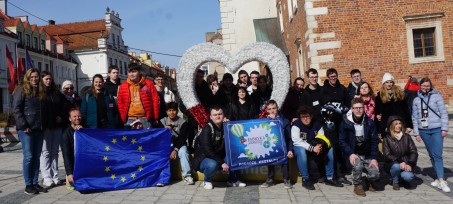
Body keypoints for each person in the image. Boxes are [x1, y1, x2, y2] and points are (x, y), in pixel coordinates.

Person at [192, 105, 246, 190]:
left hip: (219, 156)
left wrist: (230, 124)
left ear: (223, 115)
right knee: (213, 165)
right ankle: (207, 180)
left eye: (220, 114)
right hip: (204, 158)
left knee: (236, 156)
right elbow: (208, 150)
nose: (218, 116)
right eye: (215, 115)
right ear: (211, 117)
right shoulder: (207, 129)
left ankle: (232, 180)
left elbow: (236, 137)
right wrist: (222, 162)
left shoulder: (226, 126)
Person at [13, 68, 48, 195]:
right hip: (26, 129)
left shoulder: (41, 91)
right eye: (32, 77)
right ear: (28, 77)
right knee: (29, 157)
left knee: (37, 156)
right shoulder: (21, 90)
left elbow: (44, 110)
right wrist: (23, 125)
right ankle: (28, 185)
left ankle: (34, 182)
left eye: (36, 77)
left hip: (39, 128)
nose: (34, 79)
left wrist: (45, 124)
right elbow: (17, 109)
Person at [412, 77, 450, 193]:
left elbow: (443, 113)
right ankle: (438, 179)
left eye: (427, 86)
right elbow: (414, 117)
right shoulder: (416, 100)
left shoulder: (436, 97)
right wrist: (416, 133)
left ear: (430, 86)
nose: (425, 88)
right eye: (423, 86)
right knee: (432, 155)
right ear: (420, 86)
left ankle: (441, 180)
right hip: (424, 131)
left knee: (437, 154)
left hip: (437, 129)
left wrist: (444, 128)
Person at [292, 106, 343, 190]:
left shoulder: (317, 124)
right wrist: (312, 148)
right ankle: (306, 179)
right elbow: (297, 141)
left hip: (314, 145)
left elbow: (321, 137)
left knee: (330, 149)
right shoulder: (296, 124)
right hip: (300, 146)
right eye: (303, 117)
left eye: (307, 116)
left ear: (311, 116)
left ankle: (329, 178)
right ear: (300, 117)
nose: (305, 119)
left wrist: (320, 146)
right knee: (301, 151)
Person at [339, 98, 380, 197]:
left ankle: (368, 180)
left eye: (360, 108)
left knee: (375, 174)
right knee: (358, 166)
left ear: (364, 108)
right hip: (352, 154)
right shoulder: (345, 123)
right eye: (356, 108)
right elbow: (342, 141)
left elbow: (375, 141)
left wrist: (374, 158)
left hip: (367, 154)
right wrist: (350, 153)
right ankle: (357, 185)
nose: (358, 110)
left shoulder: (370, 123)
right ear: (351, 109)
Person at [40, 71, 67, 188]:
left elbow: (63, 105)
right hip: (46, 127)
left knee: (55, 152)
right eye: (46, 79)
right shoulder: (39, 93)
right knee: (45, 152)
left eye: (50, 79)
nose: (48, 81)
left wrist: (61, 116)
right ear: (42, 80)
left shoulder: (56, 92)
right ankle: (46, 177)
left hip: (57, 126)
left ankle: (55, 175)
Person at [260, 100, 294, 189]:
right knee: (269, 154)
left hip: (283, 147)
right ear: (267, 110)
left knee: (284, 155)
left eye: (274, 108)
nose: (272, 111)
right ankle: (270, 179)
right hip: (270, 146)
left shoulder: (285, 121)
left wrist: (290, 150)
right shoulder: (264, 122)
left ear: (277, 108)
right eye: (270, 109)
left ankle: (286, 179)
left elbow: (289, 138)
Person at [159, 102, 194, 186]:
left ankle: (187, 176)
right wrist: (164, 130)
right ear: (166, 112)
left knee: (184, 152)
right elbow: (158, 137)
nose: (172, 113)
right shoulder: (162, 122)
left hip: (179, 144)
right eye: (169, 110)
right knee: (161, 154)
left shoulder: (183, 122)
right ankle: (162, 178)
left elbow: (182, 138)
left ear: (177, 111)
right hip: (166, 145)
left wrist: (175, 149)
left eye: (174, 110)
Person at [117, 63, 160, 129]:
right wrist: (123, 118)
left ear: (139, 72)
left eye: (134, 72)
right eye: (129, 72)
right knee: (130, 139)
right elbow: (120, 103)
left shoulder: (148, 84)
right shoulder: (123, 86)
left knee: (146, 139)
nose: (131, 74)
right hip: (129, 119)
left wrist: (156, 117)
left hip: (146, 119)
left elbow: (155, 100)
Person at [383, 116, 418, 190]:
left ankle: (401, 179)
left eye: (399, 123)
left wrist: (410, 163)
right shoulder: (387, 138)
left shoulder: (407, 137)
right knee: (396, 166)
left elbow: (413, 151)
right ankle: (395, 182)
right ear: (391, 126)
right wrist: (400, 161)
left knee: (409, 177)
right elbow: (387, 155)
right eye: (396, 124)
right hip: (392, 164)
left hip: (406, 163)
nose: (398, 126)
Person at [61, 108, 83, 191]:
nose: (77, 118)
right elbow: (66, 155)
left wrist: (83, 132)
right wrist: (69, 173)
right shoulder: (65, 134)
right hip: (74, 164)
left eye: (79, 116)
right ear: (70, 119)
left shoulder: (84, 128)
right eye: (74, 116)